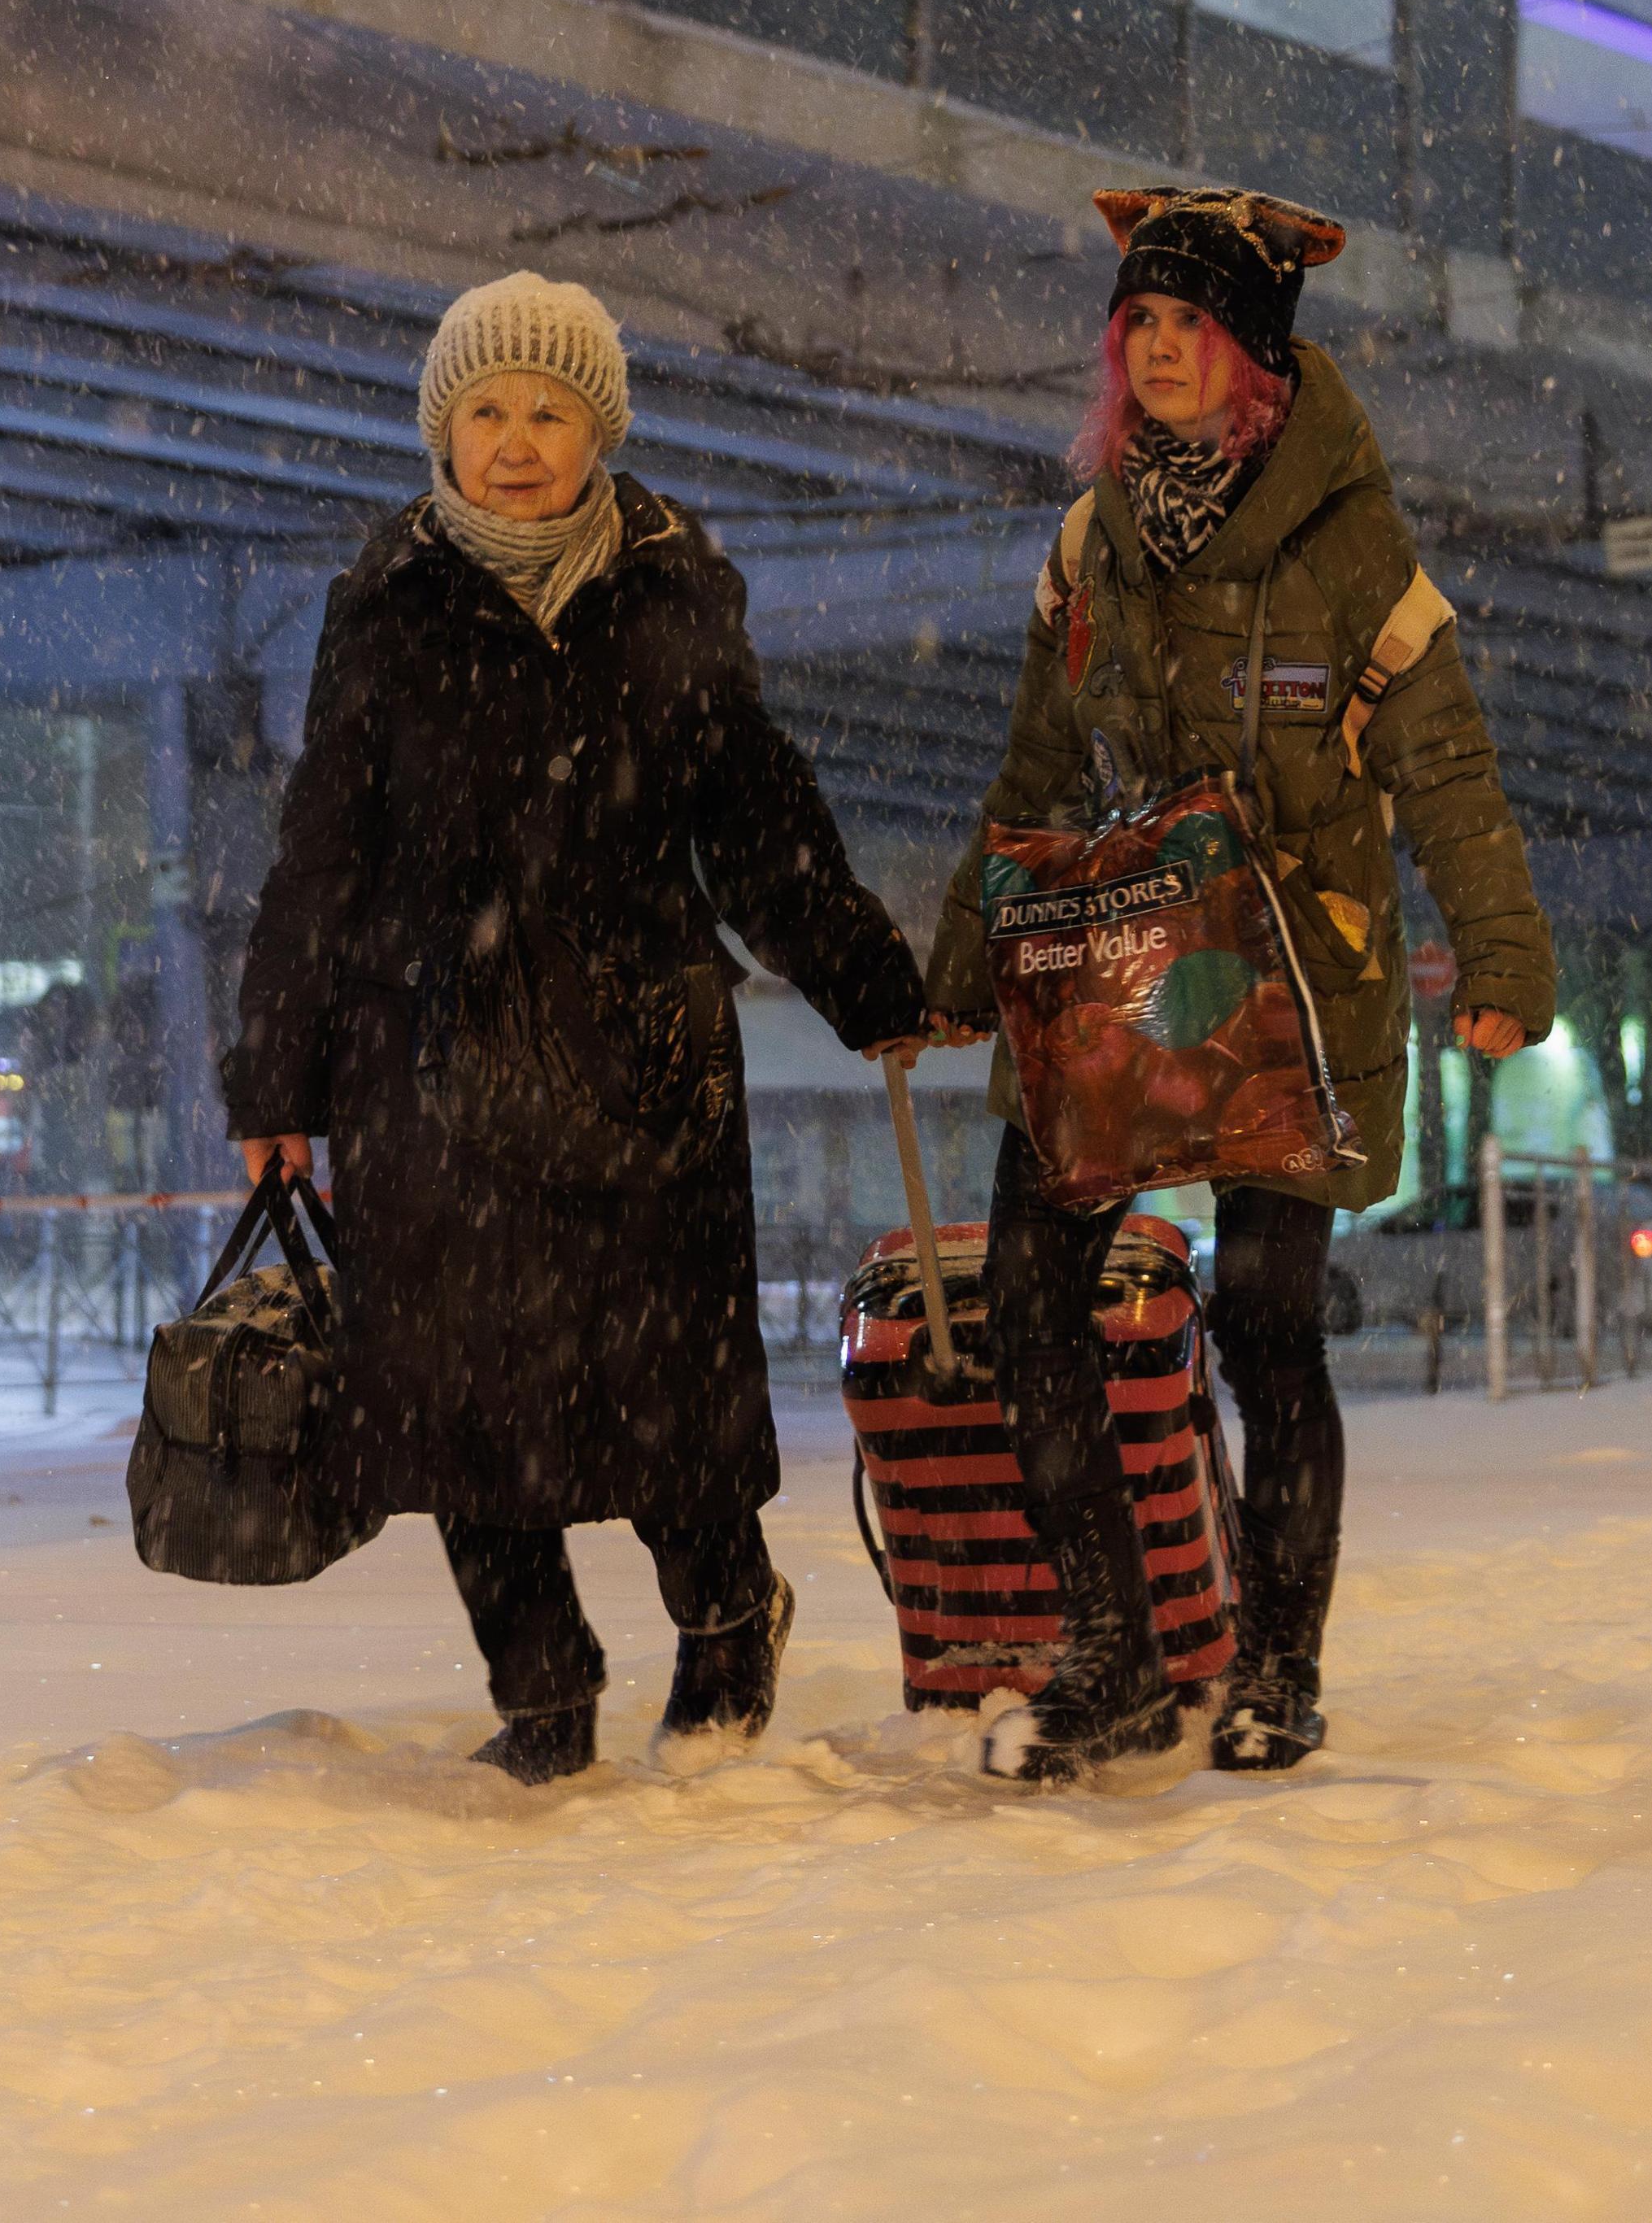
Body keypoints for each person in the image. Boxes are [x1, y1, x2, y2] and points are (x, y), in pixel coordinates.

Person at [224, 270, 930, 1786]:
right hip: (425, 1059)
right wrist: (274, 1069)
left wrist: (863, 975)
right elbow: (321, 853)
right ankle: (541, 1694)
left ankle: (730, 1621)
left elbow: (756, 821)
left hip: (639, 1051)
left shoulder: (673, 592)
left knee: (665, 1380)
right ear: (444, 429)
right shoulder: (387, 604)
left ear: (598, 428)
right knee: (458, 1398)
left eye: (550, 410)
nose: (518, 440)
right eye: (487, 409)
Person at [919, 186, 1554, 1784]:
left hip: (1293, 978)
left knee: (1267, 1317)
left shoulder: (1353, 556)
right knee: (1024, 1289)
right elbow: (1036, 773)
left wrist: (1501, 960)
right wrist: (958, 966)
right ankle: (1115, 1653)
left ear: (1252, 353)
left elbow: (1450, 773)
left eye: (1186, 325)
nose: (1157, 351)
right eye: (1136, 323)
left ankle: (1278, 1661)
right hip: (1115, 972)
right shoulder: (1093, 542)